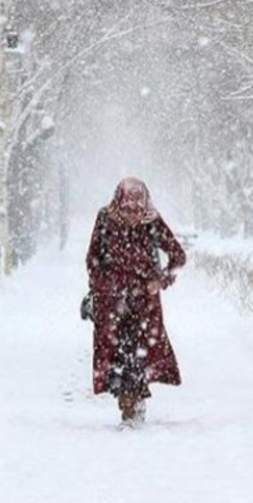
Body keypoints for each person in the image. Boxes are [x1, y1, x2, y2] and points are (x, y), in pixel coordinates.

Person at [86, 177, 186, 428]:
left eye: (138, 210)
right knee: (116, 357)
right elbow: (92, 258)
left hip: (144, 305)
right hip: (112, 303)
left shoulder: (152, 222)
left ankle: (132, 409)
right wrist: (102, 285)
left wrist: (161, 281)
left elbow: (178, 256)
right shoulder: (105, 219)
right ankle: (128, 404)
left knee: (136, 356)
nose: (133, 215)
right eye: (128, 209)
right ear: (118, 203)